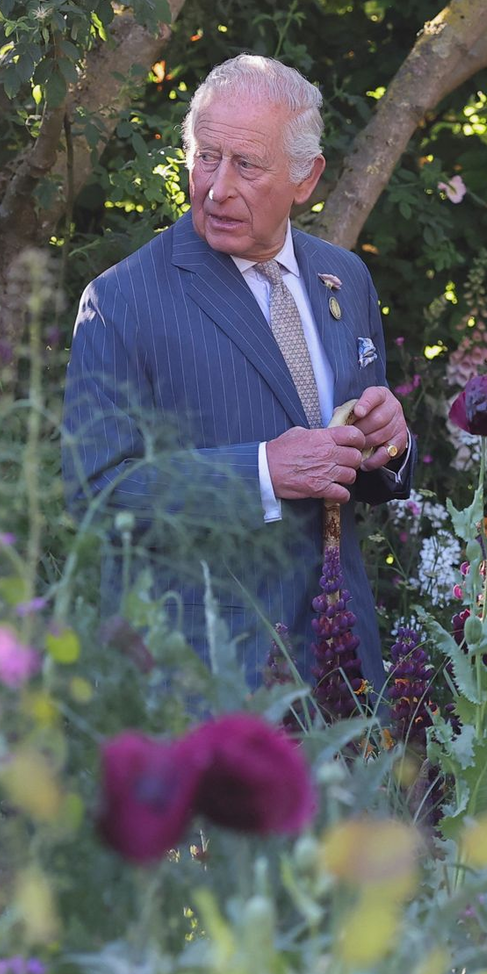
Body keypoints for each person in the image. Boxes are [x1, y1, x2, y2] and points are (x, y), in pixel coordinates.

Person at [62, 54, 412, 695]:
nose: (218, 188)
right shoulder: (122, 300)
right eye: (205, 157)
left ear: (306, 179)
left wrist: (389, 443)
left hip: (342, 664)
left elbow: (355, 456)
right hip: (204, 677)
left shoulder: (346, 278)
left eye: (246, 165)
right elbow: (96, 496)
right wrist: (261, 473)